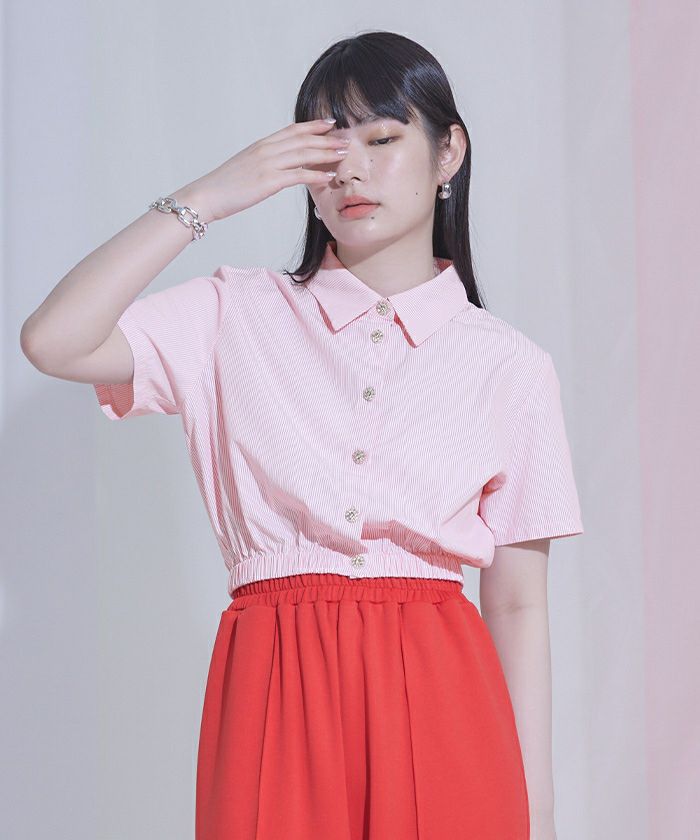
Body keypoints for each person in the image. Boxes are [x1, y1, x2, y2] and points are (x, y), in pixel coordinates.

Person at [21, 29, 583, 840]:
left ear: (448, 153)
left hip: (444, 697)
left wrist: (538, 815)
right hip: (273, 684)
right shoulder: (234, 314)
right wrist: (210, 196)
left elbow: (519, 605)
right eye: (327, 149)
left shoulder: (510, 366)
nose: (350, 171)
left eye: (382, 140)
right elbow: (55, 340)